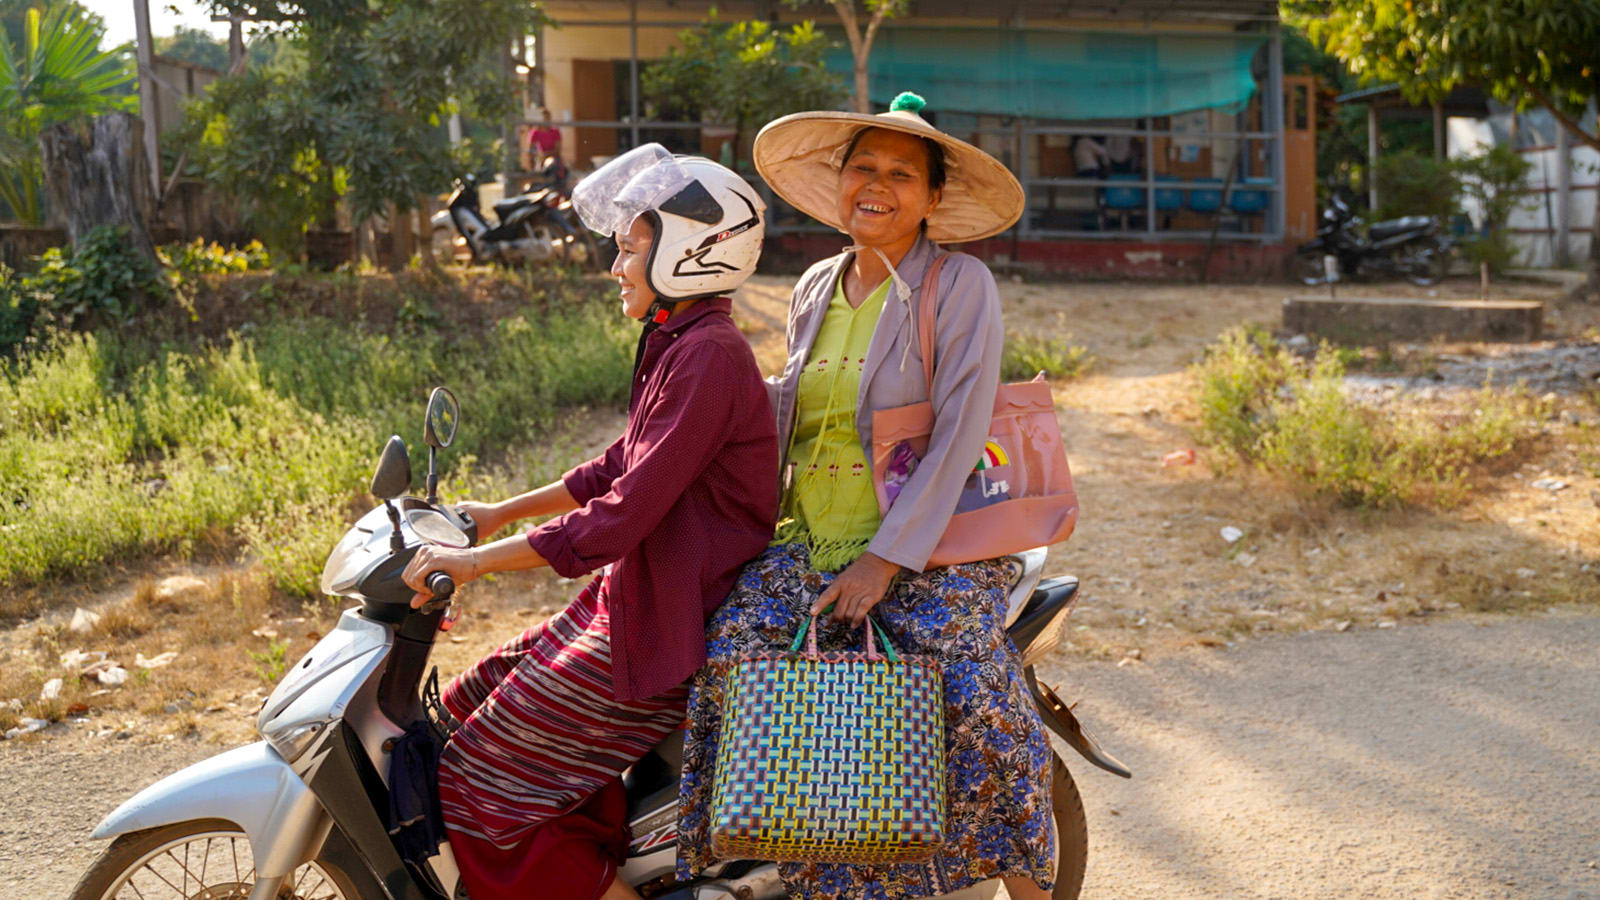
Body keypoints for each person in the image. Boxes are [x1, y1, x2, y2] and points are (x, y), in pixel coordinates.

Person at [676, 92, 1058, 900]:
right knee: (731, 662)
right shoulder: (815, 284)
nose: (876, 185)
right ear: (840, 181)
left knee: (974, 696)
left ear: (931, 199)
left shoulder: (961, 286)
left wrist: (884, 562)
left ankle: (1032, 884)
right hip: (811, 543)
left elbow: (960, 431)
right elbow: (788, 410)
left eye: (900, 174)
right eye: (863, 168)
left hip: (928, 550)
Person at [401, 144, 777, 900]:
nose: (616, 266)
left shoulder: (709, 355)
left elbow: (617, 519)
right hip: (628, 603)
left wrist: (475, 565)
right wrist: (499, 513)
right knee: (460, 706)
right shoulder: (679, 341)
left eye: (632, 248)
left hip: (666, 628)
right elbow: (617, 467)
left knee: (474, 788)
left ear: (694, 252)